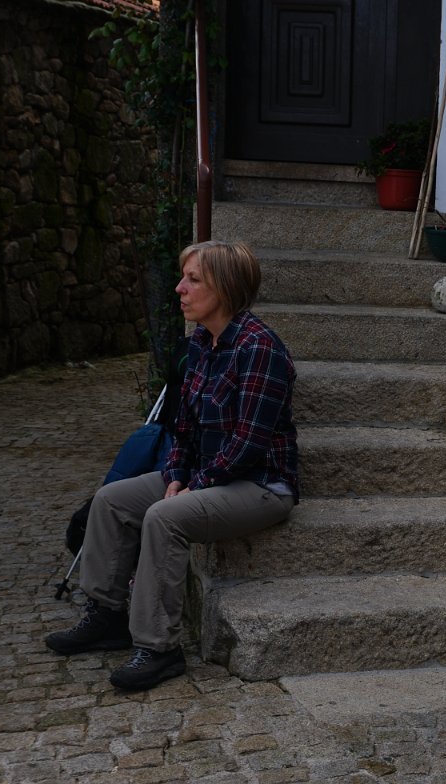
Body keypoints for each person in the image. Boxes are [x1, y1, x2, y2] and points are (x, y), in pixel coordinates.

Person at [45, 240, 299, 690]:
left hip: (260, 485)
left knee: (165, 517)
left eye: (193, 279)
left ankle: (160, 648)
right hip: (206, 476)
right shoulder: (199, 342)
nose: (180, 288)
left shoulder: (260, 348)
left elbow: (248, 443)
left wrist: (195, 483)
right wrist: (178, 473)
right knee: (111, 500)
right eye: (184, 277)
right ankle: (107, 615)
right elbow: (182, 427)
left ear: (225, 287)